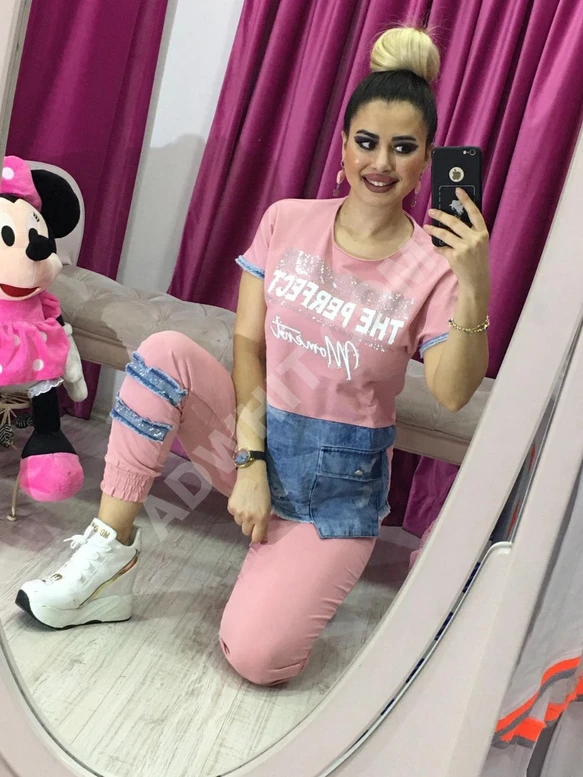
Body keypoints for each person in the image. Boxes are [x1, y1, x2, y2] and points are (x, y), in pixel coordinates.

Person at [16, 26, 490, 686]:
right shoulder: (287, 221)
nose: (381, 162)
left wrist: (474, 283)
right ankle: (109, 556)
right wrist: (251, 462)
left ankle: (284, 568)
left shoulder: (434, 268)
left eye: (403, 147)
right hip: (255, 441)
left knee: (259, 659)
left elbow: (452, 392)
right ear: (343, 147)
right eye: (366, 141)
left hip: (336, 492)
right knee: (164, 352)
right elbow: (246, 342)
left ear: (426, 160)